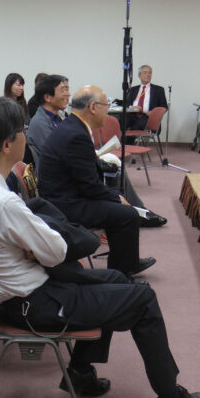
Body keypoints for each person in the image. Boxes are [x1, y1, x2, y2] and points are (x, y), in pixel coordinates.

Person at [0, 97, 200, 398]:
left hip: (16, 293)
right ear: (7, 144)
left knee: (116, 280)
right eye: (22, 130)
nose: (26, 135)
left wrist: (34, 244)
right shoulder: (1, 202)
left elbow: (41, 247)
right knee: (143, 299)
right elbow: (57, 251)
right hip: (34, 304)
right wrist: (40, 242)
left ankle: (81, 372)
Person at [37, 86, 155, 276]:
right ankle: (122, 271)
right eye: (106, 105)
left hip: (65, 195)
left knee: (120, 204)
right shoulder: (76, 134)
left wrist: (114, 196)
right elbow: (89, 186)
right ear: (93, 107)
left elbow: (85, 179)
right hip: (64, 203)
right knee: (127, 214)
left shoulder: (73, 127)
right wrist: (116, 198)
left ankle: (126, 262)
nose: (108, 110)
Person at [26, 74, 69, 153]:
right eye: (62, 91)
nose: (68, 94)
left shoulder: (58, 117)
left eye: (67, 90)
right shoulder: (39, 123)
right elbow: (57, 154)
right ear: (47, 97)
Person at [123, 65, 167, 131]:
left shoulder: (158, 90)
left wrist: (153, 113)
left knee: (136, 126)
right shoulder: (133, 89)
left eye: (149, 73)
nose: (148, 75)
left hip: (148, 117)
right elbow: (126, 104)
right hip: (133, 115)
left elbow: (164, 106)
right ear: (139, 75)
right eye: (145, 72)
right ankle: (118, 141)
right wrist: (132, 107)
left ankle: (129, 140)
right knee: (120, 122)